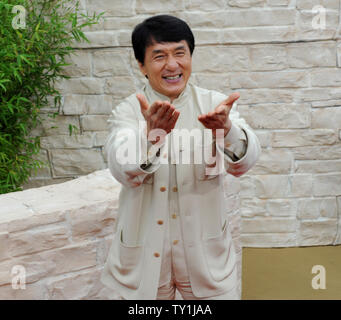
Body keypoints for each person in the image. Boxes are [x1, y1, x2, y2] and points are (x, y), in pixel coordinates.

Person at [100, 14, 261, 300]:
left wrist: (227, 130)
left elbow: (244, 163)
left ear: (191, 56)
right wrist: (152, 137)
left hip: (208, 262)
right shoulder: (127, 111)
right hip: (141, 263)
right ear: (142, 66)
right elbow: (121, 169)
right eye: (159, 56)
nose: (172, 65)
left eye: (179, 53)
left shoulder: (215, 104)